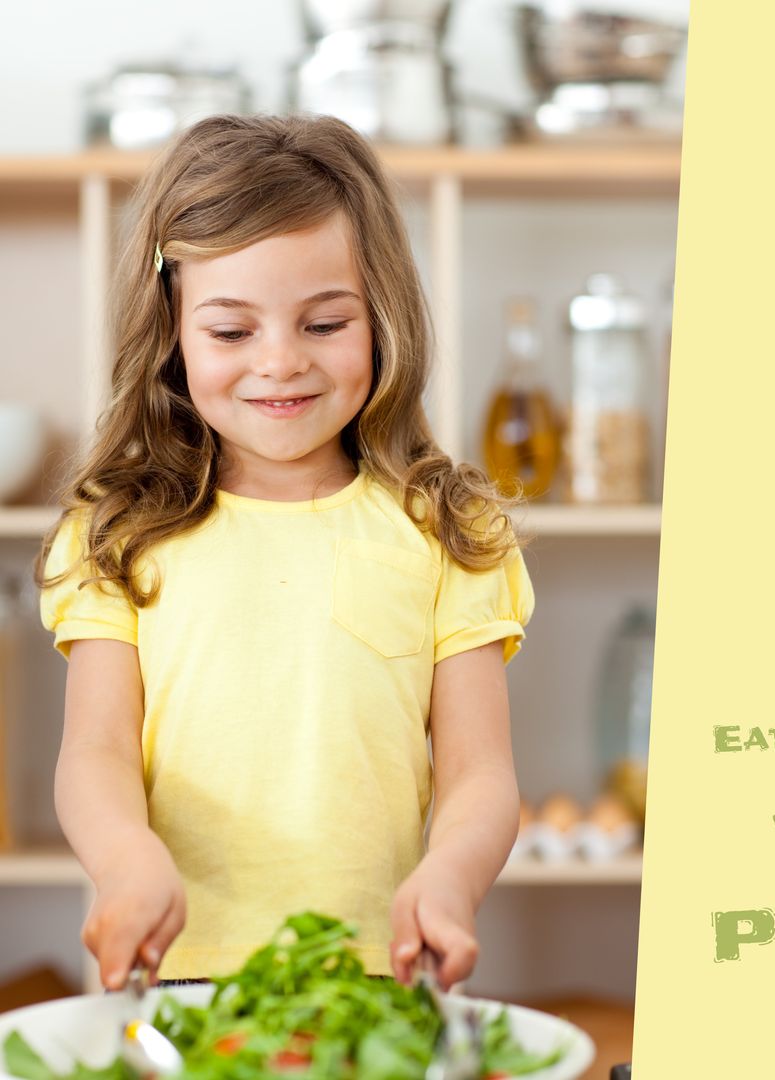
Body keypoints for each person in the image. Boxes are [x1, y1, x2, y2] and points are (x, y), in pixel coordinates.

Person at [34, 114, 533, 993]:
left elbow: (479, 771)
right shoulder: (116, 531)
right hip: (179, 981)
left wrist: (449, 878)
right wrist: (124, 860)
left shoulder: (450, 528)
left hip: (378, 977)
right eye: (231, 332)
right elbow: (95, 753)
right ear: (172, 334)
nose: (280, 363)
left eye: (325, 323)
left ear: (381, 315)